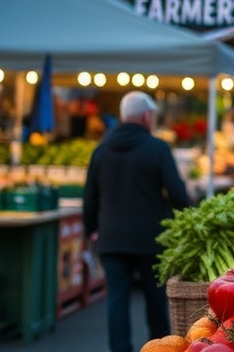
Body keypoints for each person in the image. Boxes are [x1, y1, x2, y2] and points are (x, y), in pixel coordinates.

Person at [83, 91, 190, 352]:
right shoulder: (157, 148)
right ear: (146, 116)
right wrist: (186, 222)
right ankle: (161, 348)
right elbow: (177, 193)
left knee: (116, 299)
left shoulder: (101, 150)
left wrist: (91, 230)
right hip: (150, 238)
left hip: (112, 238)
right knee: (155, 299)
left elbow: (90, 197)